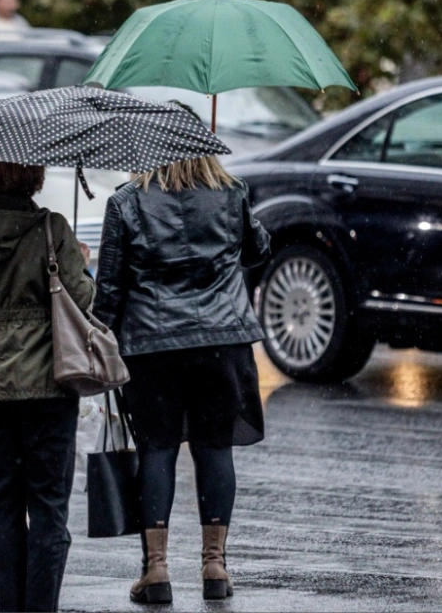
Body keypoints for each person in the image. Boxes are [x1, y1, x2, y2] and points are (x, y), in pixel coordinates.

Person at [92, 155, 271, 604]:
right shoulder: (232, 193)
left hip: (153, 346)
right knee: (214, 446)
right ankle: (214, 566)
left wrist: (98, 341)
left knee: (157, 449)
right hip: (221, 341)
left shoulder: (127, 202)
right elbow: (257, 251)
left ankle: (156, 571)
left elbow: (111, 285)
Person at [0, 160, 93, 612]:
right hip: (50, 382)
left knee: (4, 500)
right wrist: (79, 265)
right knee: (49, 503)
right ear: (35, 175)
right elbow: (82, 299)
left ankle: (11, 605)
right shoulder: (53, 229)